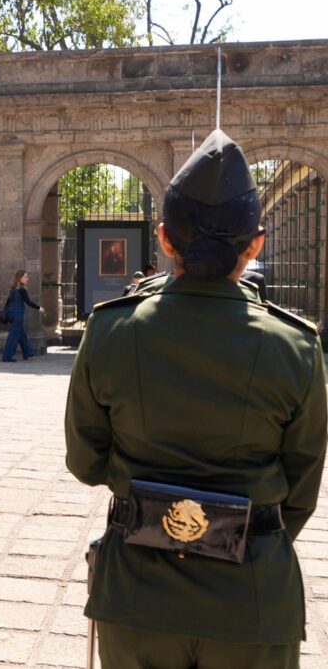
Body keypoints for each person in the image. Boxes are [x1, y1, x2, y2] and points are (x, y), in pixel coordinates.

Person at [65, 129, 327, 668]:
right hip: (251, 595)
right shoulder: (295, 346)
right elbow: (301, 490)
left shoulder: (112, 331)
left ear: (164, 239)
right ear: (254, 244)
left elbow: (85, 461)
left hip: (136, 589)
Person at [1, 270, 44, 362]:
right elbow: (28, 302)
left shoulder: (13, 289)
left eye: (27, 277)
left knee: (21, 334)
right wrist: (39, 308)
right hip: (18, 315)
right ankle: (7, 356)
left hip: (11, 314)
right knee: (14, 336)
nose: (27, 279)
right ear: (19, 278)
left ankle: (27, 352)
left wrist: (7, 314)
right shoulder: (21, 290)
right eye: (25, 277)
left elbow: (7, 303)